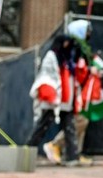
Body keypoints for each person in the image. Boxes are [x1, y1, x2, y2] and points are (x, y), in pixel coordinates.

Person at [42, 20, 100, 167]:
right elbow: (76, 72)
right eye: (86, 31)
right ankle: (55, 145)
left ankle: (74, 153)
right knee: (78, 121)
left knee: (80, 121)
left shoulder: (80, 49)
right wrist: (88, 71)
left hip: (77, 91)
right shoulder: (74, 49)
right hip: (72, 92)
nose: (88, 35)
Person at [27, 34, 82, 167]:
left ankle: (72, 156)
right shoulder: (52, 56)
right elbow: (47, 76)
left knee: (70, 128)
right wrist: (53, 96)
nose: (67, 46)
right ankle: (27, 153)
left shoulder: (68, 58)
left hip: (66, 101)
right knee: (42, 126)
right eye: (66, 43)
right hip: (54, 100)